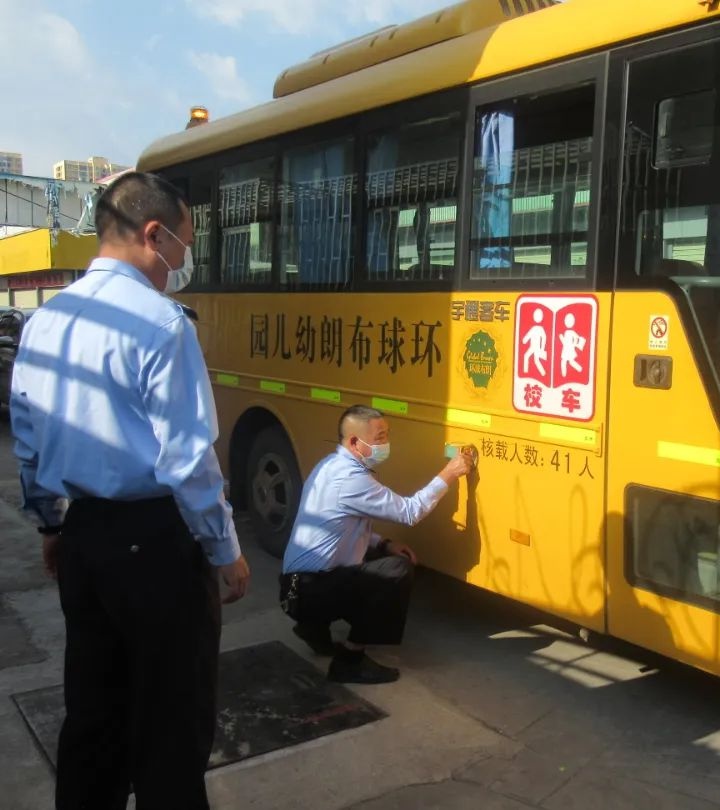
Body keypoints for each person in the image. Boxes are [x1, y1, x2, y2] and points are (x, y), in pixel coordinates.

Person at [10, 171, 250, 810]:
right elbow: (188, 460)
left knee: (94, 713)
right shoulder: (161, 323)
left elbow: (28, 445)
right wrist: (224, 550)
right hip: (157, 544)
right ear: (154, 234)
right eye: (184, 243)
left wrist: (54, 528)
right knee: (172, 723)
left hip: (86, 540)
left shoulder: (46, 322)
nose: (183, 259)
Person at [280, 405, 475, 684]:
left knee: (377, 558)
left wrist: (383, 543)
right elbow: (411, 511)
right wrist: (450, 473)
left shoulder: (329, 465)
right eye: (380, 437)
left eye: (386, 435)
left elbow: (340, 526)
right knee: (396, 571)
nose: (386, 444)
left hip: (295, 589)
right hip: (308, 592)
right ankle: (349, 660)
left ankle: (313, 629)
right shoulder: (351, 480)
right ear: (355, 443)